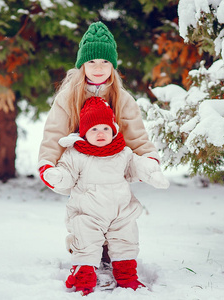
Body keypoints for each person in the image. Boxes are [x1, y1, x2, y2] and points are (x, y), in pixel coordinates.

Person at [41, 96, 169, 296]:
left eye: (105, 129)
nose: (101, 133)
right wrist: (57, 176)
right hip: (88, 212)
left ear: (113, 130)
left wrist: (151, 172)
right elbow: (67, 173)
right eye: (94, 129)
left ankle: (127, 276)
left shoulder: (123, 153)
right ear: (84, 132)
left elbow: (136, 165)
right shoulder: (76, 154)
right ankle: (84, 276)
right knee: (85, 241)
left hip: (121, 212)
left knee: (126, 240)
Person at [37, 21, 160, 178]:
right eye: (92, 61)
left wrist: (147, 160)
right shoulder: (68, 97)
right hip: (78, 167)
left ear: (112, 65)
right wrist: (48, 164)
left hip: (113, 168)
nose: (98, 68)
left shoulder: (123, 98)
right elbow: (55, 134)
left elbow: (136, 136)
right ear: (83, 65)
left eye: (105, 61)